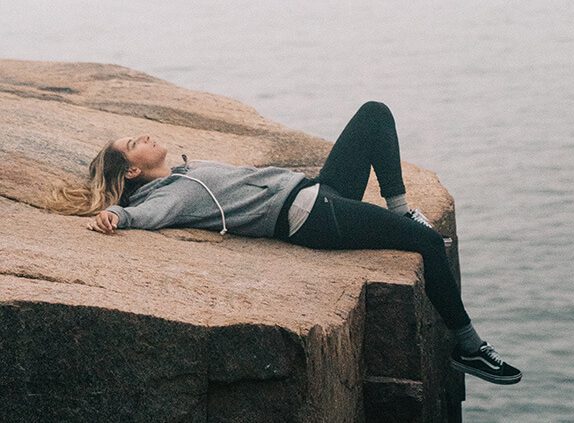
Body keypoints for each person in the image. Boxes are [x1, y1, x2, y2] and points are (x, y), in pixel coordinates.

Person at [47, 101, 522, 385]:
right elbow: (144, 215)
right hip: (313, 217)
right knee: (427, 243)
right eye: (134, 142)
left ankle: (400, 208)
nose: (144, 136)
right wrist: (116, 214)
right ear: (132, 170)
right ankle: (469, 347)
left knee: (374, 115)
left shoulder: (183, 174)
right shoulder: (174, 193)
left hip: (318, 190)